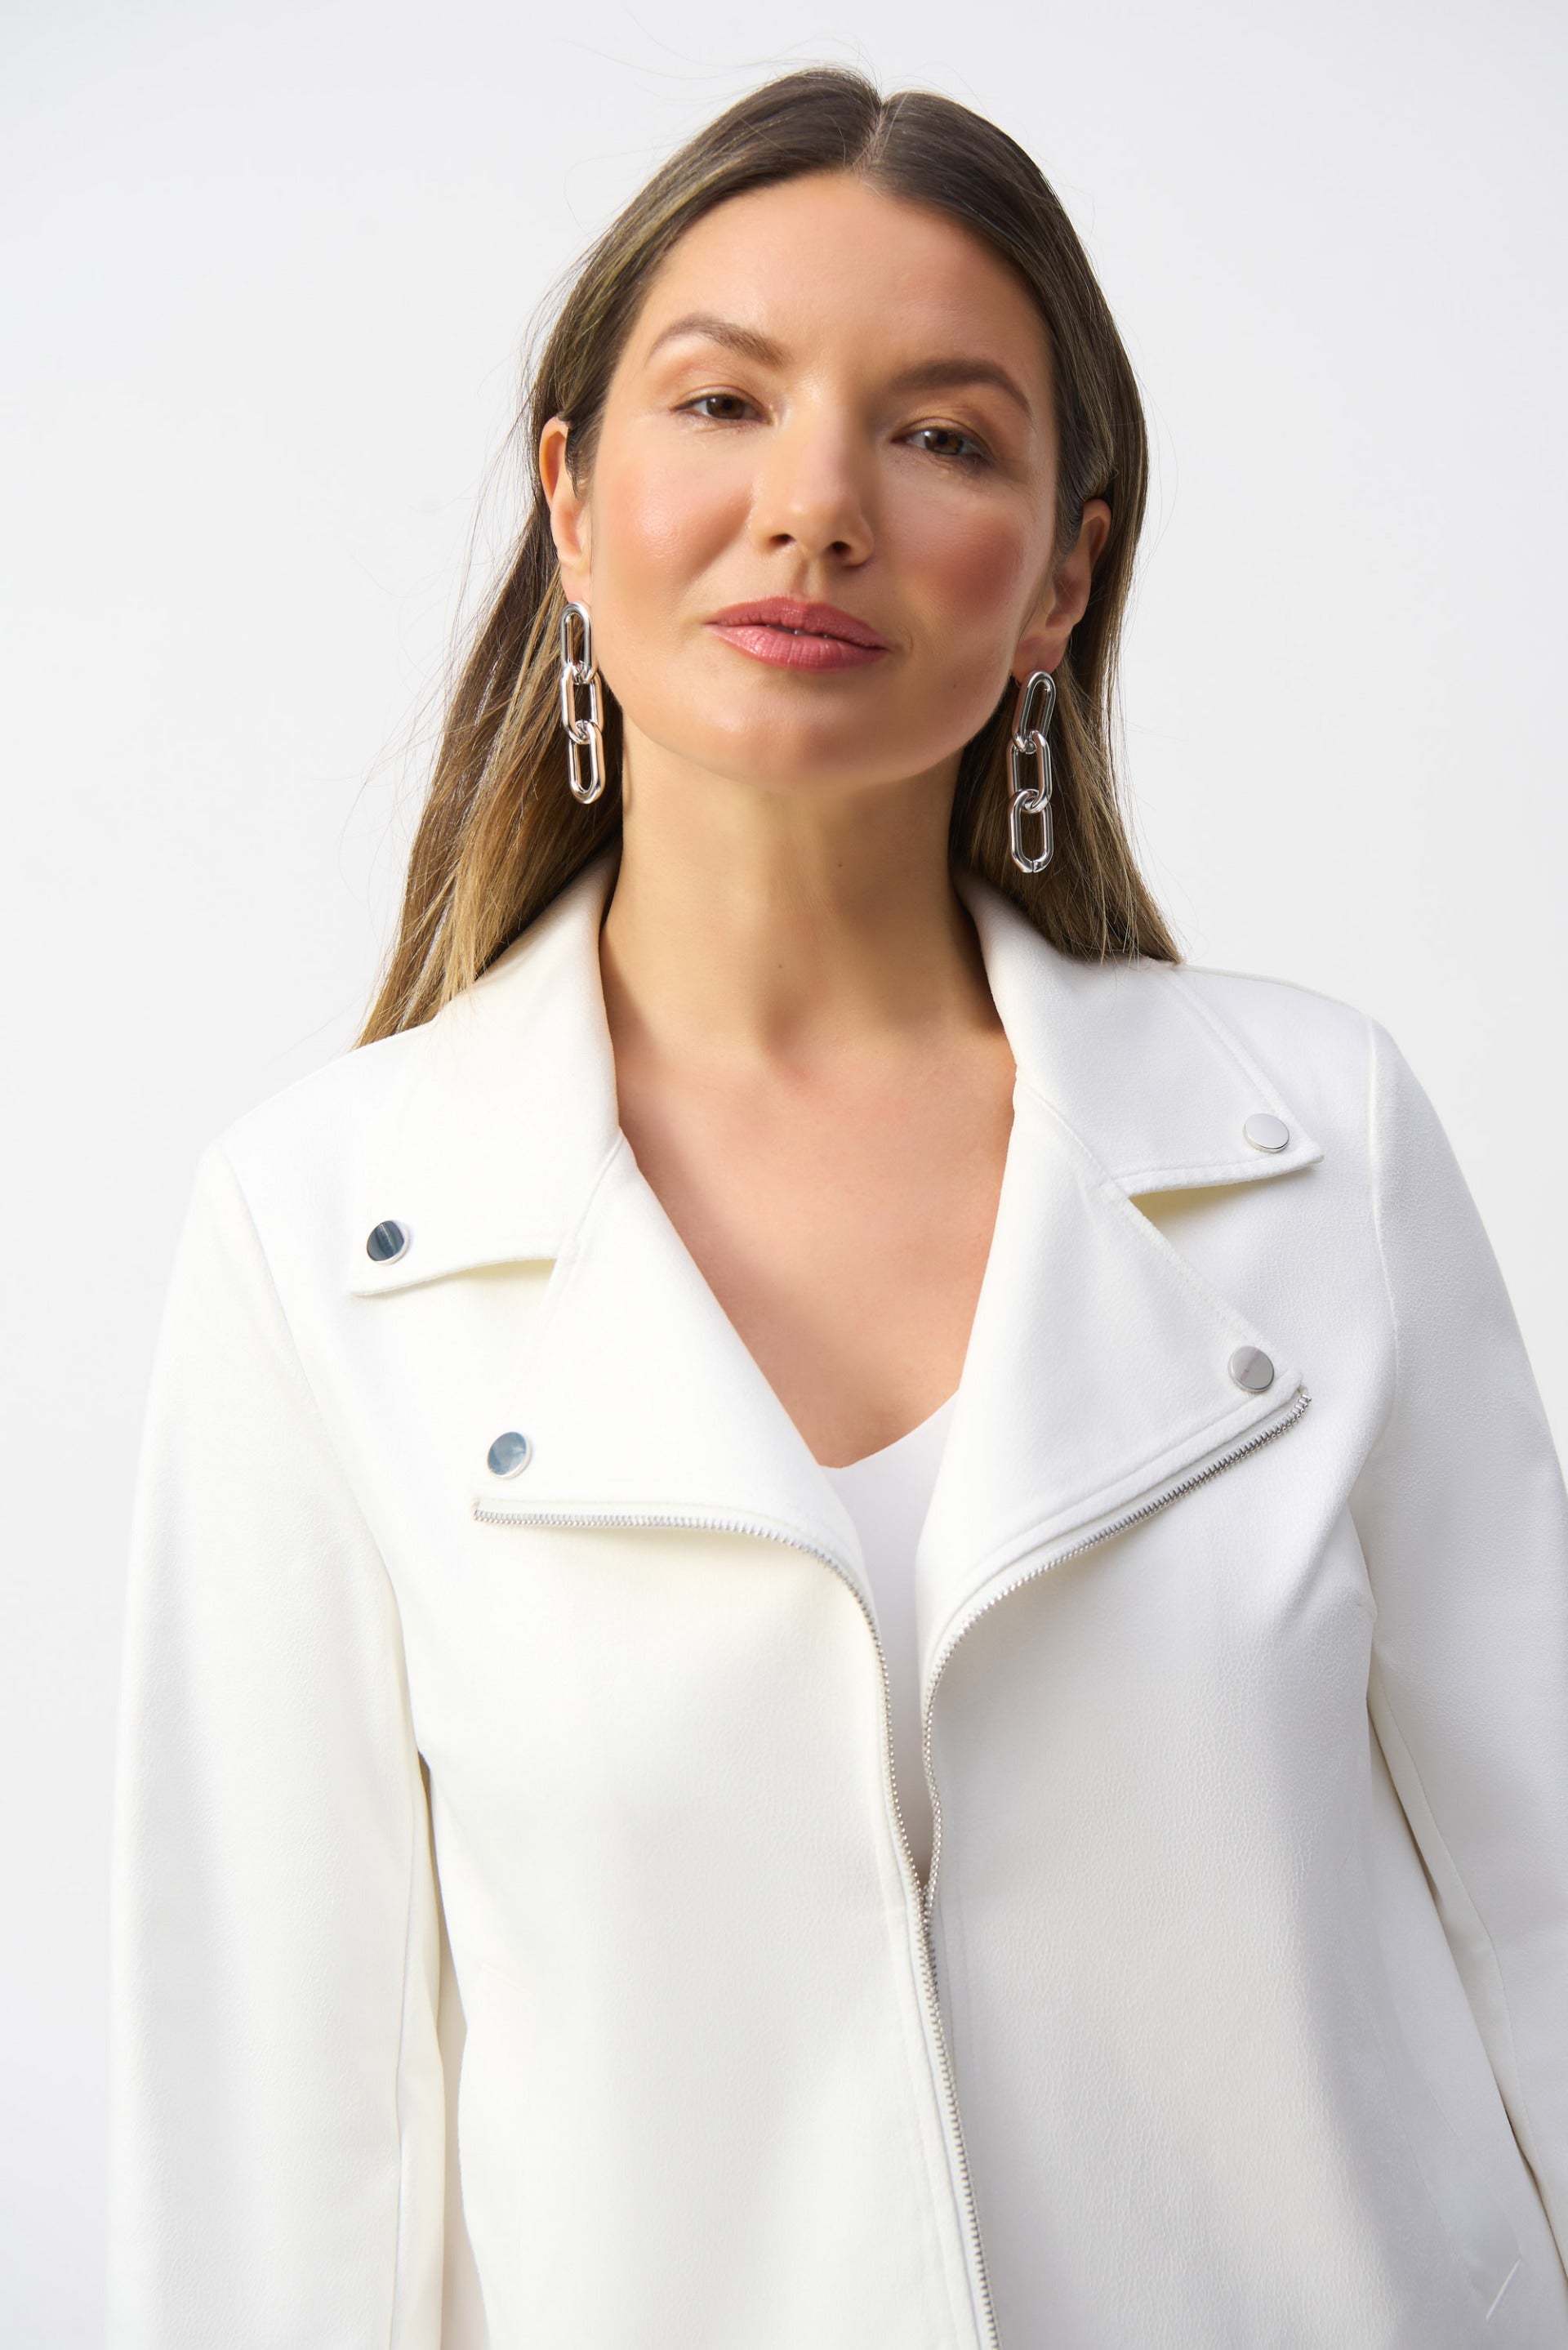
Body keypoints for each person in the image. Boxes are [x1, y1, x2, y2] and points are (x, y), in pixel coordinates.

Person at [108, 66, 1568, 2350]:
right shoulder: (318, 1242)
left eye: (944, 437)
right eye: (724, 403)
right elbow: (279, 2151)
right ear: (572, 506)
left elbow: (1543, 1907)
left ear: (1064, 575)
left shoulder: (1322, 1150)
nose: (816, 508)